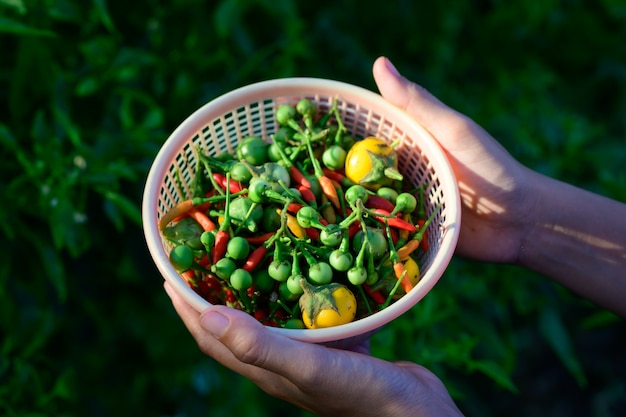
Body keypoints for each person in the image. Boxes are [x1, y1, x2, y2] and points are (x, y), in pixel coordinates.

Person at [163, 56, 626, 417]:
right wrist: (520, 218)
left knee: (300, 259)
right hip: (323, 272)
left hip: (326, 263)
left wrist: (400, 410)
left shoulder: (322, 217)